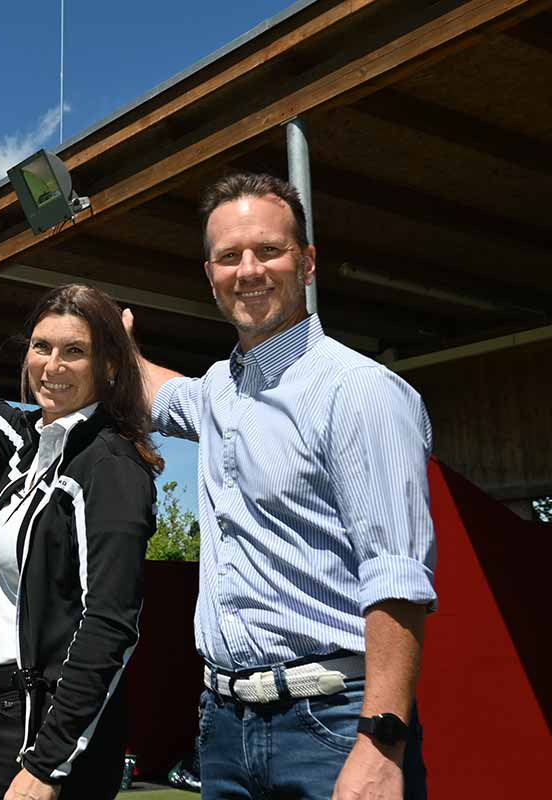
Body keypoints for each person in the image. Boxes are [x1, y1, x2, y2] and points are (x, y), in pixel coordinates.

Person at [125, 172, 436, 800]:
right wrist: (114, 341)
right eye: (229, 256)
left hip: (334, 726)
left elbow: (397, 576)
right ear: (209, 274)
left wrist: (381, 743)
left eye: (269, 250)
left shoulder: (360, 391)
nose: (249, 270)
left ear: (308, 262)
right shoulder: (218, 391)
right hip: (222, 727)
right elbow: (156, 390)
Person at [0, 285, 161, 800]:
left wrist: (47, 764)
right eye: (42, 347)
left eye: (75, 351)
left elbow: (111, 624)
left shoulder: (109, 467)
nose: (52, 365)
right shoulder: (31, 445)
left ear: (109, 366)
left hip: (45, 734)